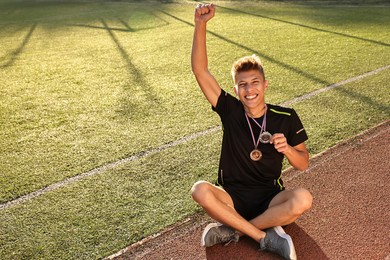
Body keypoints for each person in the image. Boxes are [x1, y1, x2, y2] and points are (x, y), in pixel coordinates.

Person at [190, 4, 313, 260]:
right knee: (199, 190)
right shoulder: (230, 110)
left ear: (265, 85)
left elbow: (302, 163)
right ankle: (263, 237)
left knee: (303, 199)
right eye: (242, 84)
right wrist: (200, 25)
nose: (249, 89)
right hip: (231, 197)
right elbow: (200, 71)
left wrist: (288, 149)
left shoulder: (285, 116)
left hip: (270, 197)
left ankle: (235, 231)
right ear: (235, 90)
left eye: (255, 82)